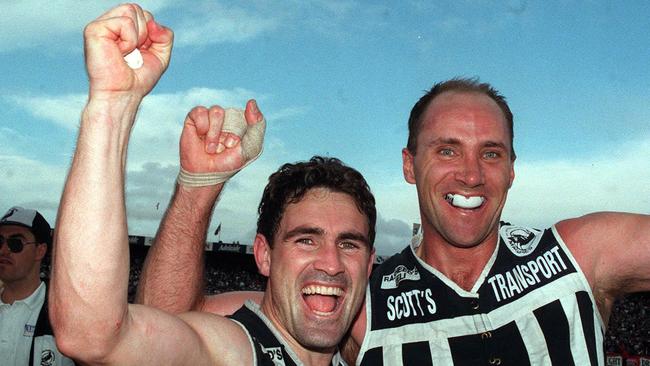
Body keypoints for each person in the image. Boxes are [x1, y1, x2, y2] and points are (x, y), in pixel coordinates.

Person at [137, 77, 650, 365]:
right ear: (409, 165)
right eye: (447, 150)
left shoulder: (579, 254)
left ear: (512, 168)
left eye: (491, 154)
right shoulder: (360, 301)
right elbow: (165, 325)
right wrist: (197, 186)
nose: (471, 174)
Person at [49, 4, 375, 365]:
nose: (330, 263)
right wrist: (112, 105)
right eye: (306, 239)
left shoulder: (376, 347)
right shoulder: (233, 348)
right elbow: (91, 335)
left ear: (371, 261)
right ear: (264, 255)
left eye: (349, 244)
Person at [0, 206, 75, 366]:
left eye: (15, 243)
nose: (3, 250)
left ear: (40, 251)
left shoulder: (66, 316)